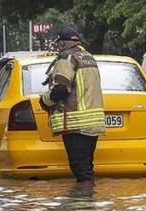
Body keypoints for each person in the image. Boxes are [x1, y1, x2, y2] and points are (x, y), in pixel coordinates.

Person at [40, 27, 105, 184]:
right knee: (86, 167)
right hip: (92, 124)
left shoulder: (66, 58)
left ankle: (81, 205)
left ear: (62, 43)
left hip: (76, 124)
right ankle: (88, 204)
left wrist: (44, 101)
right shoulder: (88, 57)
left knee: (81, 171)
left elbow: (61, 89)